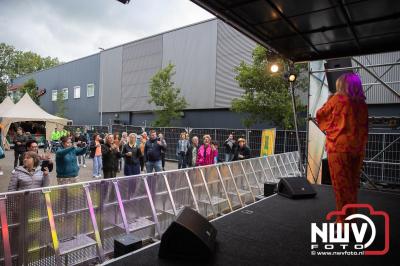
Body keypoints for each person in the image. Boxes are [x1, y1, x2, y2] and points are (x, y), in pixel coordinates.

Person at [316, 73, 368, 223]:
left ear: (342, 85)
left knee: (341, 187)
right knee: (352, 185)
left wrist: (328, 100)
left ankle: (344, 222)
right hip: (357, 148)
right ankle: (351, 218)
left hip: (339, 148)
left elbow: (321, 115)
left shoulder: (337, 99)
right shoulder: (362, 103)